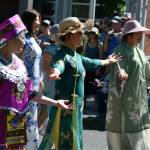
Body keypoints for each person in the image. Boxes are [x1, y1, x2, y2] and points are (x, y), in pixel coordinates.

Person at [39, 17, 121, 150]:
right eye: (79, 33)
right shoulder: (62, 54)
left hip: (76, 108)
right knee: (64, 141)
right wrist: (56, 72)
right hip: (65, 108)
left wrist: (108, 61)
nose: (83, 35)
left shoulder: (77, 56)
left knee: (74, 140)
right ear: (69, 36)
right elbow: (59, 64)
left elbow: (92, 62)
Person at [0, 14, 72, 150]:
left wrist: (55, 103)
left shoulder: (19, 65)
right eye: (21, 37)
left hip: (16, 123)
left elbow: (29, 95)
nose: (24, 42)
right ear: (10, 38)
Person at [106, 19, 150, 150]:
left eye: (141, 33)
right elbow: (119, 67)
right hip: (124, 101)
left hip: (139, 100)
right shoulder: (120, 50)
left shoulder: (139, 51)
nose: (141, 36)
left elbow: (147, 73)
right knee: (125, 134)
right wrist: (122, 74)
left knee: (138, 132)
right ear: (128, 35)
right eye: (138, 33)